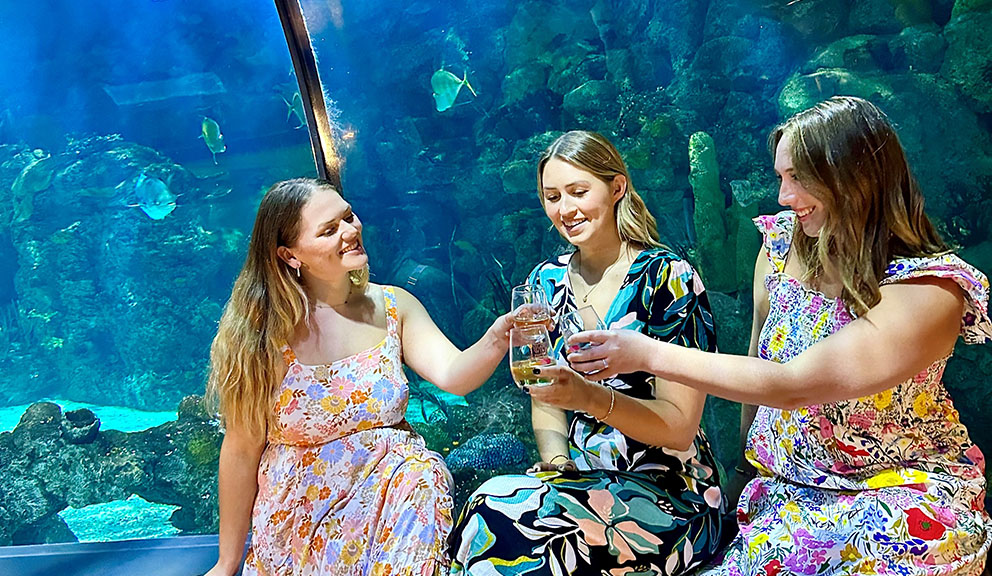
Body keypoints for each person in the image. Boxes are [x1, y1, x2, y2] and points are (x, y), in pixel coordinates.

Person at [566, 97, 992, 575]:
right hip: (785, 496)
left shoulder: (930, 290)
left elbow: (792, 383)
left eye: (799, 178)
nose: (784, 196)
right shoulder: (778, 245)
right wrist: (746, 472)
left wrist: (644, 353)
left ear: (856, 175)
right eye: (781, 178)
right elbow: (757, 360)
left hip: (896, 495)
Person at [203, 178, 513, 576]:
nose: (350, 231)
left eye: (347, 217)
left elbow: (453, 375)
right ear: (290, 254)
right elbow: (242, 449)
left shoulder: (394, 305)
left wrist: (497, 337)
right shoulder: (264, 334)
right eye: (329, 230)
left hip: (396, 505)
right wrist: (226, 563)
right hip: (301, 523)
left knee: (421, 475)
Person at [449, 131, 726, 575]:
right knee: (486, 507)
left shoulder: (668, 278)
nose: (565, 210)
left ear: (617, 188)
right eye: (552, 196)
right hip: (582, 485)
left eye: (579, 192)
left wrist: (586, 396)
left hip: (671, 490)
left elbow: (678, 429)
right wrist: (557, 465)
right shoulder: (544, 282)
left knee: (507, 527)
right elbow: (544, 396)